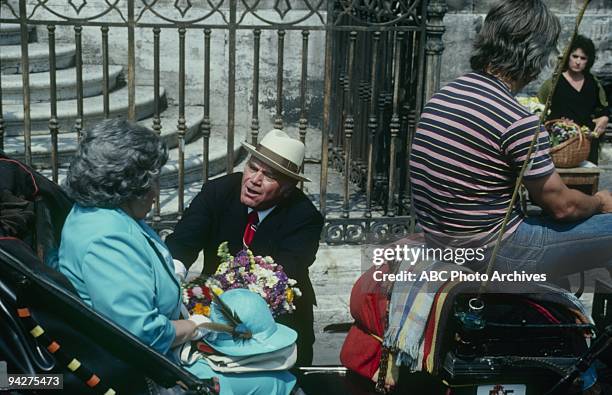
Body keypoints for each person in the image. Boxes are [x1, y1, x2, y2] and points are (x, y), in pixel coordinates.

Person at [58, 119, 297, 394]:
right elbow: (143, 334)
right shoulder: (107, 238)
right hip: (149, 373)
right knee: (277, 382)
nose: (157, 194)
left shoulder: (104, 216)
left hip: (157, 355)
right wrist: (197, 326)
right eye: (154, 181)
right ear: (128, 186)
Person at [409, 0, 612, 281]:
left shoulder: (444, 96)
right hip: (495, 252)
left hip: (443, 239)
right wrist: (600, 201)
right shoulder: (517, 119)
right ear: (536, 56)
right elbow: (563, 207)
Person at [166, 129, 324, 366]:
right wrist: (171, 281)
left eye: (269, 175)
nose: (254, 180)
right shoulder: (217, 192)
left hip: (279, 321)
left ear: (288, 188)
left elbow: (282, 273)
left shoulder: (304, 217)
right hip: (214, 311)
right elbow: (182, 243)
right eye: (253, 167)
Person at [538, 34, 610, 164]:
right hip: (560, 145)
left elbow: (603, 108)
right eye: (575, 56)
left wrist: (604, 118)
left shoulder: (592, 83)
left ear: (588, 61)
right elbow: (539, 108)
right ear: (568, 57)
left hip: (586, 144)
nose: (578, 61)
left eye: (583, 58)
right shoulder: (553, 83)